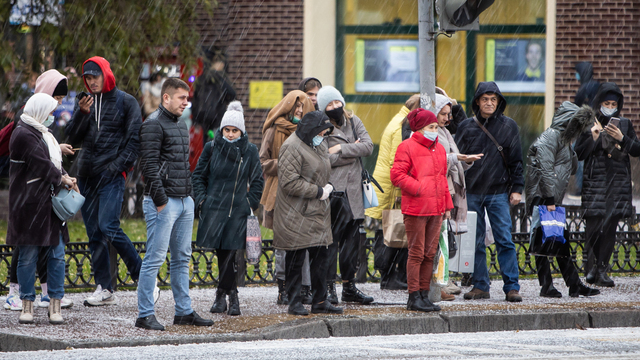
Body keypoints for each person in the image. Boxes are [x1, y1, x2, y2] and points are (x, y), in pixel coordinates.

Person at [135, 78, 214, 330]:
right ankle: (144, 314)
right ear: (166, 98)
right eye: (181, 98)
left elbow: (183, 164)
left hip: (183, 201)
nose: (186, 102)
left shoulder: (180, 124)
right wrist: (160, 201)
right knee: (154, 258)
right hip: (163, 202)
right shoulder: (152, 124)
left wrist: (189, 196)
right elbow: (148, 166)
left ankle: (184, 311)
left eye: (186, 98)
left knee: (182, 258)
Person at [65, 56, 143, 306]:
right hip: (86, 175)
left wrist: (115, 168)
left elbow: (134, 142)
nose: (91, 81)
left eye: (94, 76)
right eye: (86, 77)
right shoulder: (85, 103)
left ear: (106, 74)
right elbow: (71, 139)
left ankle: (143, 278)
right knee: (94, 232)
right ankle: (104, 287)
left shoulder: (127, 102)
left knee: (109, 225)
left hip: (111, 176)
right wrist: (82, 114)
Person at [4, 69, 75, 312]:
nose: (58, 107)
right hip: (30, 201)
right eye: (56, 100)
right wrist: (62, 178)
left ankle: (48, 294)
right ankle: (21, 296)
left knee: (50, 250)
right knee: (27, 251)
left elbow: (44, 153)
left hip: (42, 201)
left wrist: (59, 163)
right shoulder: (26, 127)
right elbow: (40, 162)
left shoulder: (39, 127)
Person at [192, 100, 264, 317]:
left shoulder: (249, 150)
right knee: (222, 254)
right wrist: (203, 201)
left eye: (235, 130)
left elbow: (258, 181)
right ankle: (226, 295)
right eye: (227, 129)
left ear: (241, 131)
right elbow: (198, 176)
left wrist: (249, 202)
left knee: (231, 254)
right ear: (222, 129)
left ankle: (228, 297)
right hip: (214, 210)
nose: (231, 134)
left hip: (237, 212)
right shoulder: (211, 147)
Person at [455, 81, 524, 302]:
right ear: (477, 102)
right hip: (472, 192)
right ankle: (480, 285)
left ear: (499, 102)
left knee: (504, 239)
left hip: (499, 192)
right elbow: (457, 161)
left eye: (493, 99)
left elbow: (516, 161)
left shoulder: (509, 126)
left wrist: (517, 189)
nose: (489, 103)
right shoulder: (466, 126)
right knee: (474, 241)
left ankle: (512, 287)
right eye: (485, 99)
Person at [525, 101, 600, 298]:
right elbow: (545, 169)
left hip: (551, 198)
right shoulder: (551, 137)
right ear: (567, 122)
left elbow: (572, 169)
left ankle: (573, 284)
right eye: (575, 126)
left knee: (559, 240)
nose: (577, 131)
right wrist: (549, 199)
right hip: (543, 197)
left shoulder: (563, 140)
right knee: (543, 241)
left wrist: (571, 148)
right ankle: (547, 286)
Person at [273, 110, 342, 316]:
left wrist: (326, 185)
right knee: (295, 259)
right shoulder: (291, 147)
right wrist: (319, 191)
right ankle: (294, 302)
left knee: (321, 258)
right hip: (296, 212)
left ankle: (320, 301)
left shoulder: (318, 144)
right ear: (311, 130)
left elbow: (321, 169)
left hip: (316, 210)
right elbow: (289, 182)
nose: (323, 136)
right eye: (321, 132)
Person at [575, 83, 640, 287]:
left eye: (613, 103)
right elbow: (579, 153)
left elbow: (636, 149)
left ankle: (602, 269)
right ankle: (592, 267)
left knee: (610, 226)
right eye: (606, 103)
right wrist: (594, 137)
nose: (610, 106)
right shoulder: (589, 123)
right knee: (593, 226)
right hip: (595, 182)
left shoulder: (625, 124)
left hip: (617, 183)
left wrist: (622, 138)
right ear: (599, 103)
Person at [390, 108, 452, 312]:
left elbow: (442, 179)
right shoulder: (406, 147)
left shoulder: (439, 149)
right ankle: (413, 296)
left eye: (436, 126)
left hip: (435, 209)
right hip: (416, 208)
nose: (435, 130)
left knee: (429, 253)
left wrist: (447, 205)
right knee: (416, 253)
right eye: (431, 127)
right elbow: (397, 175)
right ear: (419, 128)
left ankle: (423, 295)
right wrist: (419, 188)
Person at [319, 85, 374, 305]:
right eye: (329, 105)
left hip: (355, 193)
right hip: (335, 192)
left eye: (337, 102)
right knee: (332, 242)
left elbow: (368, 146)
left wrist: (340, 149)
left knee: (352, 243)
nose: (335, 107)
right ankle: (329, 286)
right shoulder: (322, 127)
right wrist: (353, 148)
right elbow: (324, 159)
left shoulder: (354, 121)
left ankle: (349, 286)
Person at [259, 90, 315, 305]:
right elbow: (263, 160)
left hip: (304, 193)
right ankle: (283, 288)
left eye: (302, 109)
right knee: (283, 245)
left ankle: (305, 289)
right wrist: (286, 167)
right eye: (295, 108)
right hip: (278, 191)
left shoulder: (310, 132)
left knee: (305, 244)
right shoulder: (274, 130)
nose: (299, 112)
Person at [365, 94, 420, 291]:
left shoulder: (399, 120)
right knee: (390, 232)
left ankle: (390, 276)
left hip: (387, 186)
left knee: (391, 231)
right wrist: (400, 190)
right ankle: (388, 276)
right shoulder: (401, 125)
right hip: (390, 189)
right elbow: (397, 161)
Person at [433, 94, 483, 300]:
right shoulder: (430, 133)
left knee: (443, 241)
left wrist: (466, 161)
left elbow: (452, 160)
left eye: (448, 114)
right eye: (443, 114)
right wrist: (457, 158)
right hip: (439, 191)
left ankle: (439, 284)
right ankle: (433, 286)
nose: (447, 118)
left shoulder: (444, 132)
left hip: (449, 191)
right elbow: (434, 160)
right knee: (435, 242)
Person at [191, 54, 236, 143]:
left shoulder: (201, 79)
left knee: (206, 145)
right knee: (218, 145)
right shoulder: (220, 79)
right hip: (217, 117)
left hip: (203, 118)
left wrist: (195, 120)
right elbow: (232, 94)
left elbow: (195, 100)